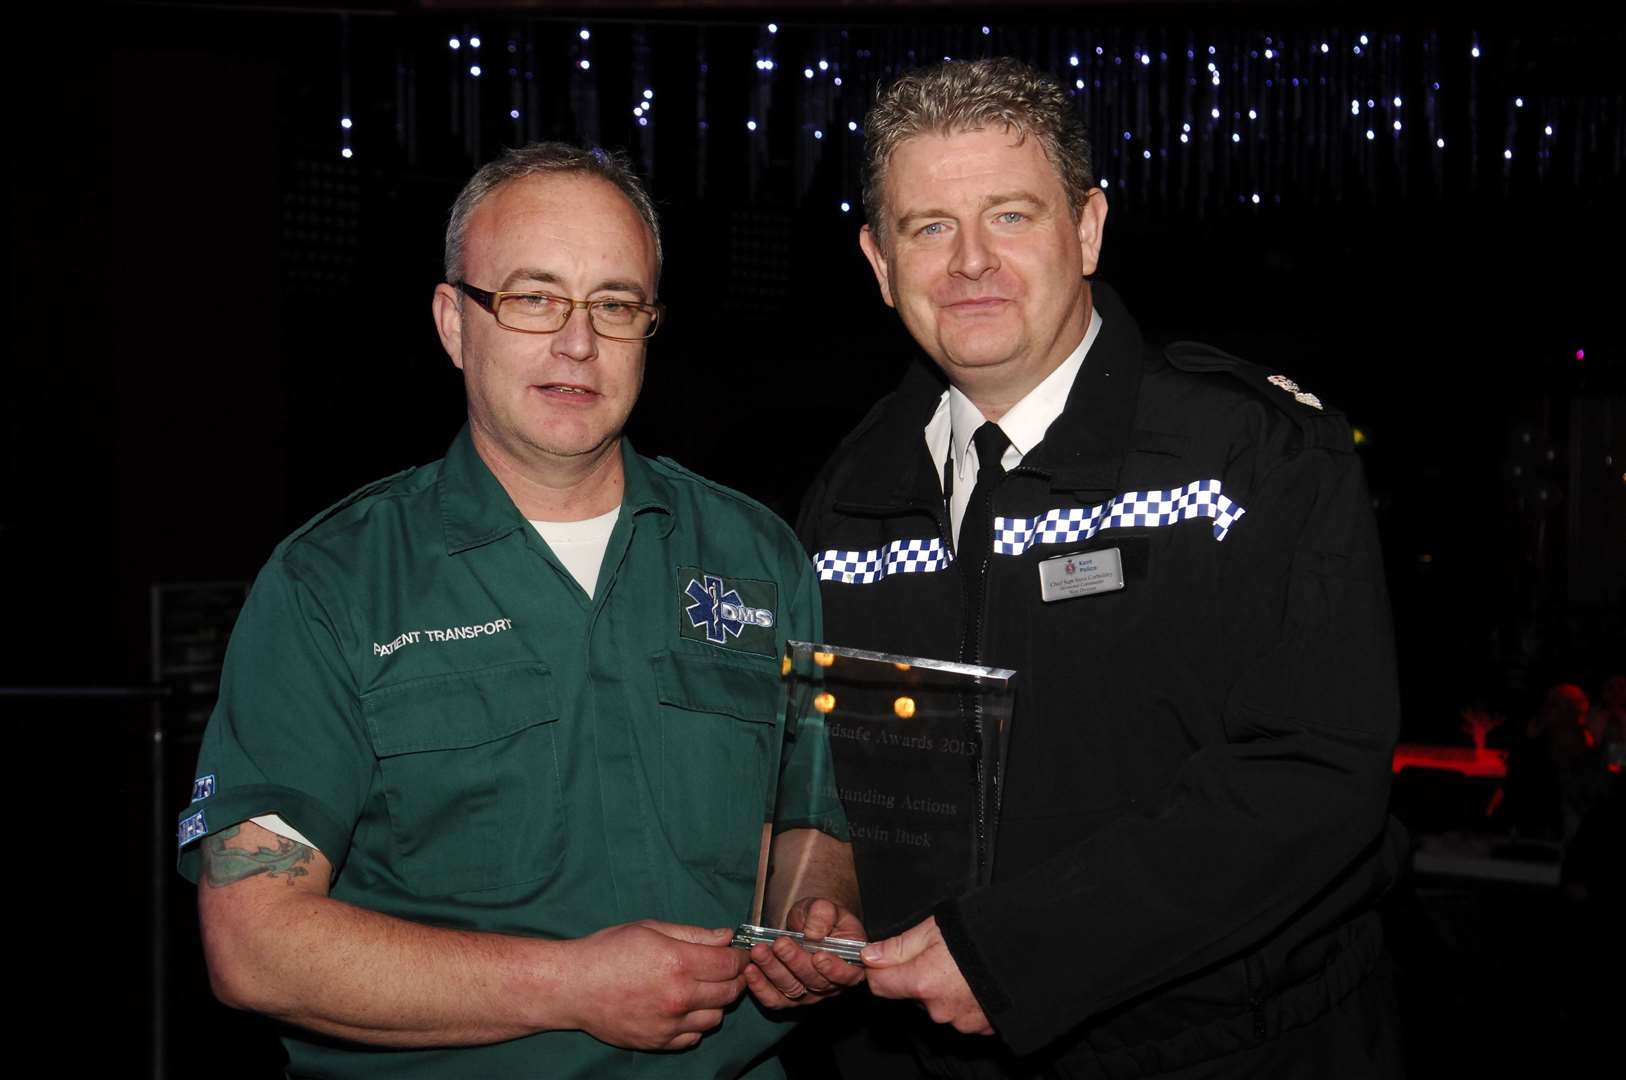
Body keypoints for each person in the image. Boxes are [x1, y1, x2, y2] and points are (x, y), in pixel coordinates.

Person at [176, 141, 861, 1078]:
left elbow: (808, 818)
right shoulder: (332, 583)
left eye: (614, 305)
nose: (577, 343)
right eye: (535, 298)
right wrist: (568, 985)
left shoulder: (757, 558)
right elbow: (254, 944)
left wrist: (813, 917)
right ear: (455, 322)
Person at [798, 59, 1407, 1076]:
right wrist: (823, 902)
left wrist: (1017, 955)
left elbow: (1315, 772)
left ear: (1086, 229)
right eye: (929, 227)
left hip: (1232, 1054)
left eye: (1012, 216)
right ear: (878, 260)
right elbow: (837, 776)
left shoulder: (1250, 455)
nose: (970, 264)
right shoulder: (846, 496)